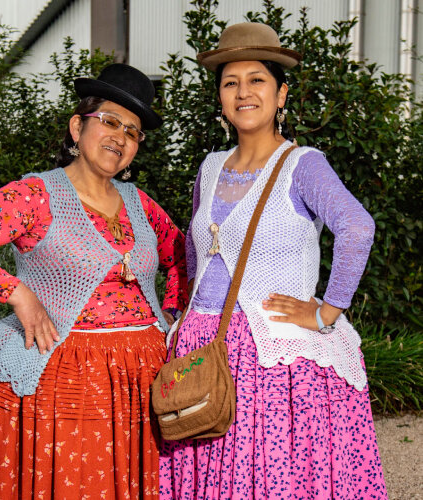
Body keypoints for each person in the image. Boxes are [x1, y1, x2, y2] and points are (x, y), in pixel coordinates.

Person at [0, 63, 188, 499]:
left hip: (140, 376)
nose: (120, 137)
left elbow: (183, 258)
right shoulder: (34, 195)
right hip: (65, 376)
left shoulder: (139, 203)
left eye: (132, 131)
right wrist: (19, 295)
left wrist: (174, 317)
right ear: (77, 126)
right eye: (109, 121)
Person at [159, 23, 388, 499]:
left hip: (272, 353)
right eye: (230, 82)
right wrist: (181, 312)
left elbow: (357, 227)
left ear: (281, 94)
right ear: (220, 99)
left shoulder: (302, 165)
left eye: (256, 80)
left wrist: (327, 310)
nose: (243, 92)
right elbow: (193, 243)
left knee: (272, 476)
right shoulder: (209, 167)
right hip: (206, 341)